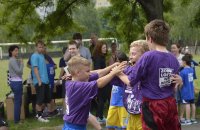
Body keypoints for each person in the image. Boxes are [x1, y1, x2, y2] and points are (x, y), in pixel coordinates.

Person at [117, 20, 182, 130]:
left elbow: (131, 81)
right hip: (170, 104)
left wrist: (118, 73)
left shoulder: (148, 56)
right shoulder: (174, 59)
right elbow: (174, 85)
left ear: (150, 38)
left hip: (153, 106)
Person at [62, 56, 124, 130]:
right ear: (78, 72)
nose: (90, 73)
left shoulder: (76, 80)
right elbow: (100, 83)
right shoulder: (78, 86)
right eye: (87, 71)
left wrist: (112, 66)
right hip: (74, 127)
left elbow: (99, 73)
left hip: (73, 124)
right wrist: (114, 72)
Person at [123, 40, 149, 130]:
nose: (130, 57)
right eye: (130, 54)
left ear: (143, 56)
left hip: (143, 116)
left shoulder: (147, 70)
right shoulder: (128, 70)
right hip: (131, 114)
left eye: (133, 54)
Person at [106, 51, 129, 130]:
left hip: (123, 104)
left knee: (124, 126)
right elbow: (113, 87)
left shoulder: (126, 72)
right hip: (113, 103)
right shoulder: (112, 72)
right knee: (110, 125)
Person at [30, 40, 50, 122]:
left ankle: (40, 115)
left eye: (42, 47)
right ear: (36, 47)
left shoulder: (42, 55)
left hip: (45, 81)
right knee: (39, 100)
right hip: (40, 81)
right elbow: (35, 69)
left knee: (46, 99)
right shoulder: (34, 56)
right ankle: (39, 116)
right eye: (39, 47)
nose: (41, 48)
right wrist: (39, 81)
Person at [92, 41, 109, 123]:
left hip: (102, 80)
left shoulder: (100, 57)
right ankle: (100, 117)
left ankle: (98, 116)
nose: (105, 49)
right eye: (103, 48)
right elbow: (98, 70)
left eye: (105, 47)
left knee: (101, 99)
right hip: (101, 80)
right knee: (101, 99)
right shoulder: (99, 58)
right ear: (99, 49)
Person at [179, 54, 198, 125]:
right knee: (192, 104)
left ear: (184, 62)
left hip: (185, 91)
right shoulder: (191, 70)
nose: (181, 63)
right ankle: (193, 119)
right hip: (191, 90)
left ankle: (188, 120)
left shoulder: (182, 72)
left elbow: (181, 83)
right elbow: (192, 80)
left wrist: (179, 88)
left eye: (181, 62)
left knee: (186, 104)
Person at [8, 45, 24, 124]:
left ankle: (17, 119)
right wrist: (22, 63)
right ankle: (16, 121)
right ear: (11, 51)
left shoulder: (13, 59)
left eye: (18, 50)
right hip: (16, 83)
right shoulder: (12, 60)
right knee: (18, 102)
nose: (17, 52)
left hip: (16, 82)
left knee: (18, 101)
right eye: (15, 50)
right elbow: (19, 72)